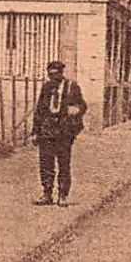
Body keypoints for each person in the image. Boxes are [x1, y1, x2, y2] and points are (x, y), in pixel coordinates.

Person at [31, 60, 86, 206]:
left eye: (55, 76)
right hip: (47, 130)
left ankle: (63, 194)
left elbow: (82, 106)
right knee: (46, 163)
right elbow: (39, 111)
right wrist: (35, 131)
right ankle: (47, 193)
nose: (52, 79)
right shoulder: (47, 88)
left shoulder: (71, 88)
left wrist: (75, 112)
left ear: (61, 74)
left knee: (63, 164)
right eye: (50, 76)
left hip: (64, 132)